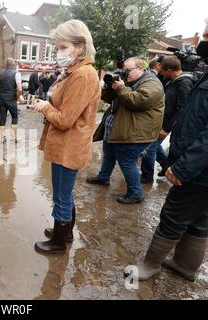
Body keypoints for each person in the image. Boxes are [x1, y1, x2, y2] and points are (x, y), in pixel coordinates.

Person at [131, 26, 208, 282]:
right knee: (200, 218)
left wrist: (183, 166)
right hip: (201, 169)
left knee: (174, 215)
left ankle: (150, 265)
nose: (202, 40)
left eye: (207, 35)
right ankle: (185, 265)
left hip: (199, 171)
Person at [32, 20, 100, 254]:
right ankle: (65, 231)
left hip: (69, 145)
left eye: (63, 47)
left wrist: (45, 107)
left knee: (61, 195)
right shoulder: (75, 72)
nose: (59, 52)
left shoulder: (83, 75)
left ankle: (59, 242)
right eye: (57, 48)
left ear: (79, 47)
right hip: (65, 145)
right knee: (64, 192)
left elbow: (65, 120)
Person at [86, 57, 165, 204]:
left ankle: (135, 193)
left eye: (128, 70)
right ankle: (103, 178)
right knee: (108, 154)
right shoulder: (130, 81)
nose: (125, 72)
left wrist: (121, 88)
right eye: (124, 70)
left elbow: (139, 101)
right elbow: (109, 99)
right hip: (117, 128)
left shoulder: (152, 83)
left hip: (134, 132)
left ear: (140, 68)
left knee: (127, 161)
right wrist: (109, 86)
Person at [141, 56, 195, 180]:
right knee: (154, 146)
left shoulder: (184, 83)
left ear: (170, 70)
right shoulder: (173, 81)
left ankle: (147, 176)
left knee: (149, 149)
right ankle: (166, 165)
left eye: (163, 71)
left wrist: (166, 129)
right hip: (160, 122)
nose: (161, 74)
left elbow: (182, 110)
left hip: (166, 124)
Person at [0, 58, 22, 143]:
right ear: (13, 65)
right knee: (14, 117)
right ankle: (14, 137)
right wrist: (17, 97)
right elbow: (20, 89)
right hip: (11, 99)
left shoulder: (0, 74)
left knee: (2, 118)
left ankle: (3, 137)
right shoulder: (16, 74)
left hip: (2, 100)